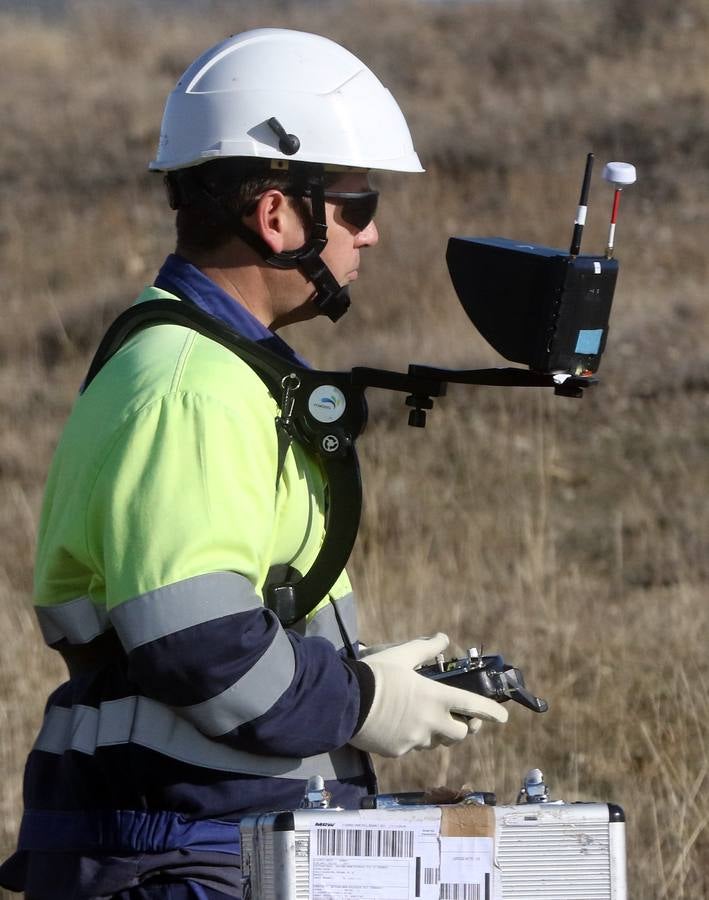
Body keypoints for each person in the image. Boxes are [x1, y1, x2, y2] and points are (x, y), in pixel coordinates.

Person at [0, 28, 508, 899]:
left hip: (209, 834)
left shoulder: (220, 368)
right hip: (181, 852)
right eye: (356, 203)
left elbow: (241, 618)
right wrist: (360, 702)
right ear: (278, 215)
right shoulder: (192, 387)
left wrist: (379, 676)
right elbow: (200, 650)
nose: (373, 233)